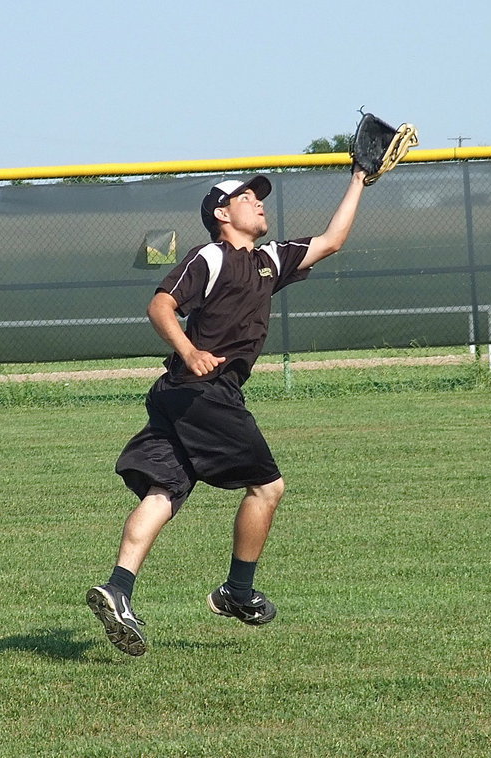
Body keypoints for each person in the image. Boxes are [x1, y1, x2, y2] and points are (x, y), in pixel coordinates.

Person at [87, 164, 368, 656]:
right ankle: (238, 593)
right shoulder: (209, 257)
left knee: (164, 493)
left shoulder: (269, 261)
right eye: (247, 197)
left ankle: (118, 590)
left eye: (260, 197)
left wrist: (359, 180)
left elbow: (333, 240)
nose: (259, 202)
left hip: (181, 393)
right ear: (222, 213)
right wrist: (191, 351)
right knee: (267, 486)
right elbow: (160, 305)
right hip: (204, 390)